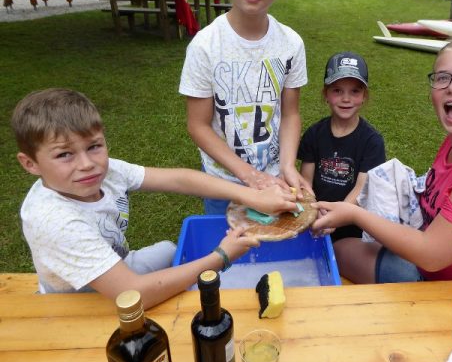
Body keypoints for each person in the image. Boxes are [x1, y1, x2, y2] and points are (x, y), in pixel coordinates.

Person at [11, 88, 298, 308]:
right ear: (30, 164)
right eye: (64, 154)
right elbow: (133, 294)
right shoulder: (56, 221)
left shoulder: (106, 171)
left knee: (171, 252)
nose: (86, 164)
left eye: (94, 146)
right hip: (79, 303)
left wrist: (251, 194)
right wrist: (221, 257)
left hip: (118, 268)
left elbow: (178, 179)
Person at [311, 40, 452, 284]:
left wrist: (355, 215)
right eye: (443, 78)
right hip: (436, 266)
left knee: (338, 254)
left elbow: (432, 256)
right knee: (340, 250)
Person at [179, 0, 310, 215]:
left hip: (274, 175)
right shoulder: (205, 46)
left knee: (275, 239)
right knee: (227, 242)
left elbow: (290, 113)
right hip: (222, 181)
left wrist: (288, 166)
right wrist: (249, 176)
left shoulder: (291, 44)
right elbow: (198, 125)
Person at [297, 52, 385, 270]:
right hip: (315, 218)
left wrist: (338, 215)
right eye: (337, 90)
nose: (346, 99)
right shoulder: (314, 134)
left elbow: (361, 189)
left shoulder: (372, 141)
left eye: (355, 91)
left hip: (351, 227)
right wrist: (313, 210)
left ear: (364, 96)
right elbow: (306, 181)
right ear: (326, 94)